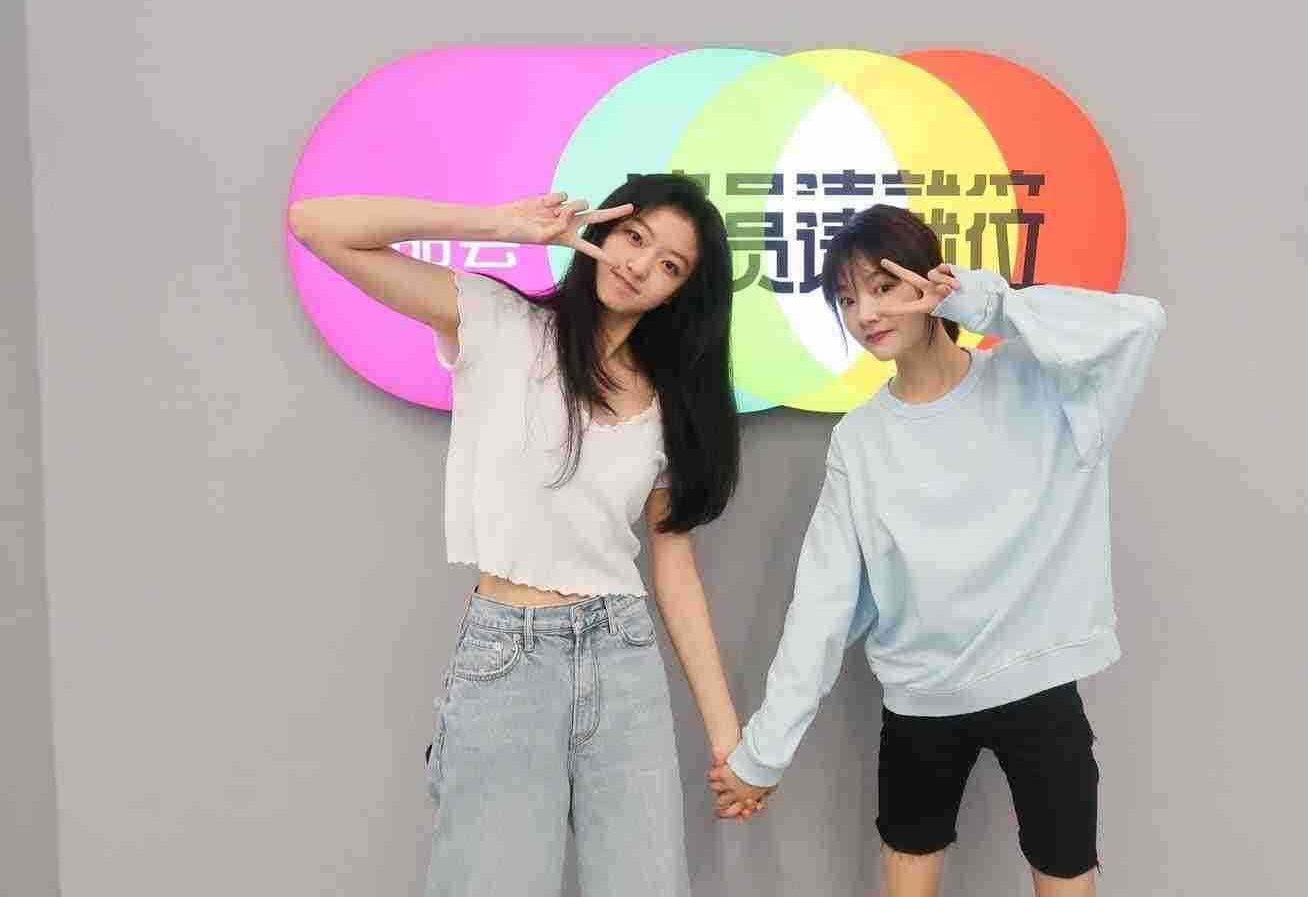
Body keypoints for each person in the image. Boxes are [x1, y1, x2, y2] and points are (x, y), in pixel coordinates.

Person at [289, 174, 748, 896]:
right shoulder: (500, 324)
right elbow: (318, 224)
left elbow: (675, 567)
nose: (638, 266)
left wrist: (726, 736)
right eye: (634, 237)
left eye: (669, 265)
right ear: (603, 228)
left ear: (680, 293)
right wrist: (501, 226)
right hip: (510, 655)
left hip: (622, 655)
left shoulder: (668, 402)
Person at [709, 204, 1165, 897]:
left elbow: (1139, 323)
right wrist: (763, 755)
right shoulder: (861, 440)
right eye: (847, 298)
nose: (866, 312)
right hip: (920, 701)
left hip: (1037, 684)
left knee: (1067, 872)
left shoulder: (1035, 383)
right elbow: (822, 607)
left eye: (884, 286)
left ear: (929, 281)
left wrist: (983, 302)